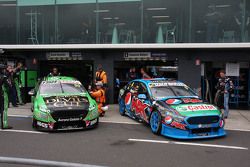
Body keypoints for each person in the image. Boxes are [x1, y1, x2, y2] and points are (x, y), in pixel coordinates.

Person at [0, 64, 12, 129]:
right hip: (2, 94)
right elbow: (10, 85)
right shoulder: (4, 76)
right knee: (4, 109)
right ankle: (4, 124)